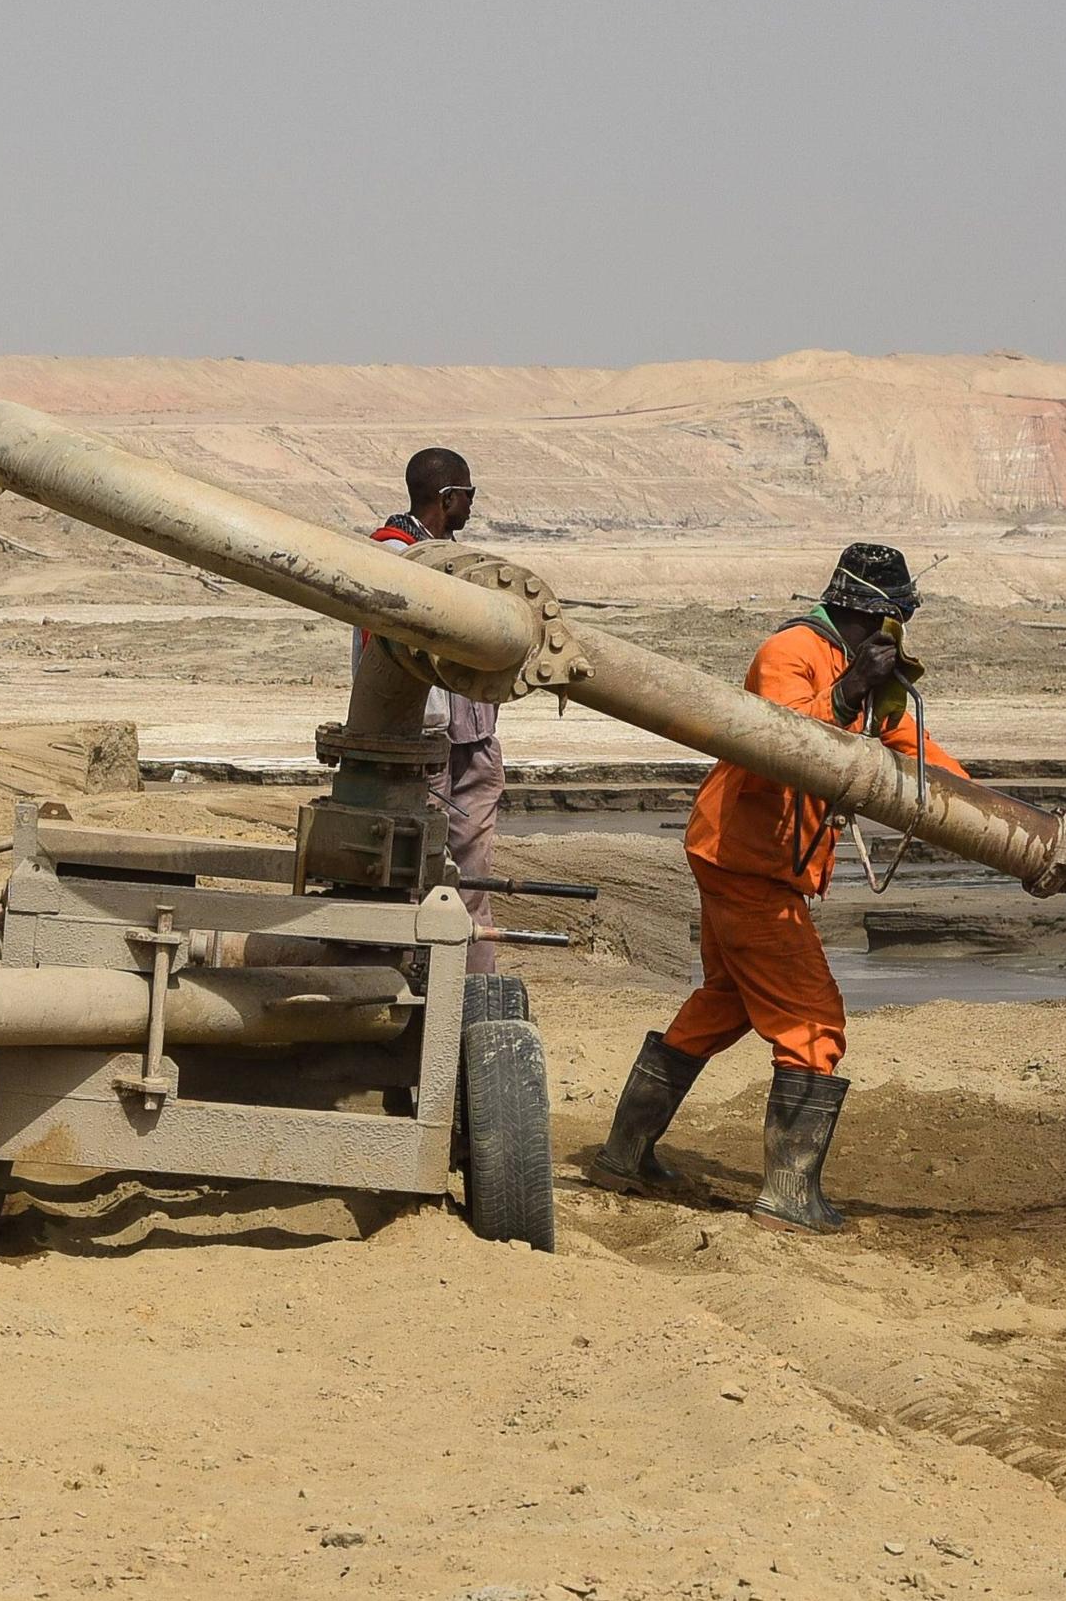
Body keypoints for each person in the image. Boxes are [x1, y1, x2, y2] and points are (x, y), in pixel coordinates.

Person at [590, 543, 967, 1233]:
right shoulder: (789, 654)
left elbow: (915, 749)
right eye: (894, 618)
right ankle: (789, 1195)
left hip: (750, 861)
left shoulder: (856, 673)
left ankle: (624, 1154)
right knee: (813, 1021)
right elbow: (783, 742)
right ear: (872, 611)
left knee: (725, 1004)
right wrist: (850, 689)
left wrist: (1002, 823)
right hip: (748, 862)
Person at [370, 447, 503, 967]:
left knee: (473, 869)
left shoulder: (446, 557)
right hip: (427, 738)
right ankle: (425, 979)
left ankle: (473, 982)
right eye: (468, 496)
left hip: (472, 735)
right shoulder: (392, 556)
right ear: (447, 499)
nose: (472, 506)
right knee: (426, 869)